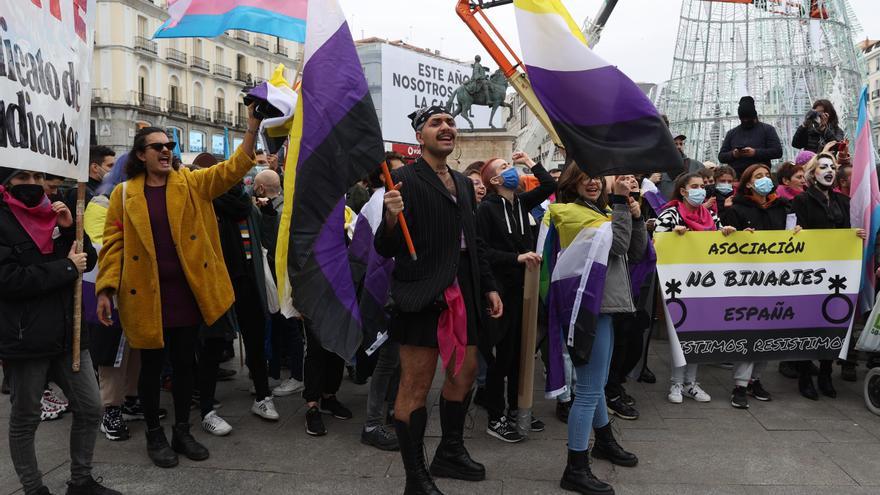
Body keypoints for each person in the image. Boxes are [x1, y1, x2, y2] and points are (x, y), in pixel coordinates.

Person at [96, 106, 262, 468]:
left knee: (186, 365)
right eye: (157, 146)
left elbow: (233, 168)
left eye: (169, 144)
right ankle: (155, 434)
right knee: (153, 369)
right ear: (141, 155)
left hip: (186, 294)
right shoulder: (123, 195)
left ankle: (182, 430)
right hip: (146, 296)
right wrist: (106, 288)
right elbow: (113, 244)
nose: (166, 150)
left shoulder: (190, 183)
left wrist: (252, 126)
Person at [377, 106, 503, 493]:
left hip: (465, 289)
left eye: (450, 122)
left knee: (464, 374)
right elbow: (386, 247)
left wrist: (488, 285)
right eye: (436, 124)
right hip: (422, 293)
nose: (446, 128)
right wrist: (391, 217)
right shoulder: (402, 180)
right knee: (415, 385)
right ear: (420, 137)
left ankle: (449, 451)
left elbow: (474, 241)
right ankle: (415, 476)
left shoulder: (465, 185)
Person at [0, 168, 120, 494]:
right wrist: (65, 268)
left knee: (90, 407)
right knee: (25, 418)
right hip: (26, 339)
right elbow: (8, 280)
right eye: (24, 178)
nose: (35, 185)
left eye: (39, 178)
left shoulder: (55, 213)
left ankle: (81, 480)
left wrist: (69, 231)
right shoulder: (3, 220)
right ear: (7, 181)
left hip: (70, 334)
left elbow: (88, 260)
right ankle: (33, 488)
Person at [547, 167, 645, 494]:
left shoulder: (600, 211)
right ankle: (575, 468)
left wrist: (636, 216)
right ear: (570, 183)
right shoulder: (570, 213)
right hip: (588, 309)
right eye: (583, 177)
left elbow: (635, 251)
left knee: (597, 384)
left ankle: (604, 441)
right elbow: (617, 244)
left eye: (596, 177)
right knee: (588, 390)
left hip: (604, 307)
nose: (591, 182)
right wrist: (620, 203)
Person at [476, 151, 555, 442]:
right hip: (503, 292)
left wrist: (530, 162)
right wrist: (515, 258)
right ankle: (495, 417)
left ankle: (515, 410)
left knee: (522, 355)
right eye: (506, 167)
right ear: (495, 180)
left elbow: (549, 186)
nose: (513, 171)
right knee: (502, 357)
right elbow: (482, 251)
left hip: (526, 289)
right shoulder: (486, 209)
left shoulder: (522, 202)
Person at [656, 172, 736, 405]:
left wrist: (727, 234)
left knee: (700, 332)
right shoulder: (670, 214)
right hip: (678, 284)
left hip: (706, 283)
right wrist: (673, 236)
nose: (701, 190)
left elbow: (719, 239)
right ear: (683, 191)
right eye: (695, 186)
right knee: (680, 333)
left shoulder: (710, 215)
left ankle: (691, 382)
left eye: (702, 186)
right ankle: (676, 383)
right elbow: (657, 242)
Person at [791, 153, 866, 400]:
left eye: (832, 166)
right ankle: (804, 374)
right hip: (810, 271)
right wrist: (795, 232)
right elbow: (791, 232)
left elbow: (847, 230)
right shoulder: (801, 200)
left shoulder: (842, 201)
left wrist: (857, 236)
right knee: (807, 322)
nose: (829, 170)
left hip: (837, 271)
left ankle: (825, 372)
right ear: (813, 173)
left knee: (831, 319)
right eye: (823, 167)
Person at [720, 163, 790, 409]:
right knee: (749, 330)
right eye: (758, 176)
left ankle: (755, 379)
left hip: (777, 278)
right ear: (748, 183)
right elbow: (726, 241)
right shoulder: (737, 209)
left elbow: (791, 236)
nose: (764, 180)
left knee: (769, 332)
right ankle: (740, 384)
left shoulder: (782, 207)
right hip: (748, 280)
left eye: (766, 176)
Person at [718, 96, 783, 176]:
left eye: (748, 119)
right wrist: (734, 154)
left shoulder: (767, 130)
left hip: (760, 176)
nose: (745, 121)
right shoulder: (732, 133)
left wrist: (755, 153)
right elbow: (721, 157)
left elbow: (778, 152)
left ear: (754, 116)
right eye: (743, 119)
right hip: (737, 176)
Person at [658, 134, 703, 200]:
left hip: (688, 207)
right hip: (665, 207)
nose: (679, 147)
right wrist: (651, 180)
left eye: (681, 144)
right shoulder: (658, 166)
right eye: (675, 144)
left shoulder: (696, 165)